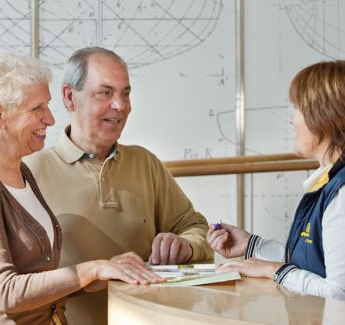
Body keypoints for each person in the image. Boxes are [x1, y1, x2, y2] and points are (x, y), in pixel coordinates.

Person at [0, 53, 162, 324]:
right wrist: (91, 269)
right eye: (37, 109)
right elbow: (5, 291)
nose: (51, 119)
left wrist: (104, 273)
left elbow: (38, 278)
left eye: (48, 105)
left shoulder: (22, 171)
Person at [207, 60, 345, 310]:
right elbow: (318, 261)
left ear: (326, 117)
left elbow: (341, 295)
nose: (291, 119)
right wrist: (252, 246)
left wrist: (273, 270)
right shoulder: (341, 177)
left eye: (298, 108)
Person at [23, 47, 212, 323]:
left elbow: (196, 227)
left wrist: (186, 245)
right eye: (105, 93)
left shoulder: (145, 163)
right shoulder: (29, 172)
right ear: (69, 97)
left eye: (125, 93)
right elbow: (17, 282)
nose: (120, 105)